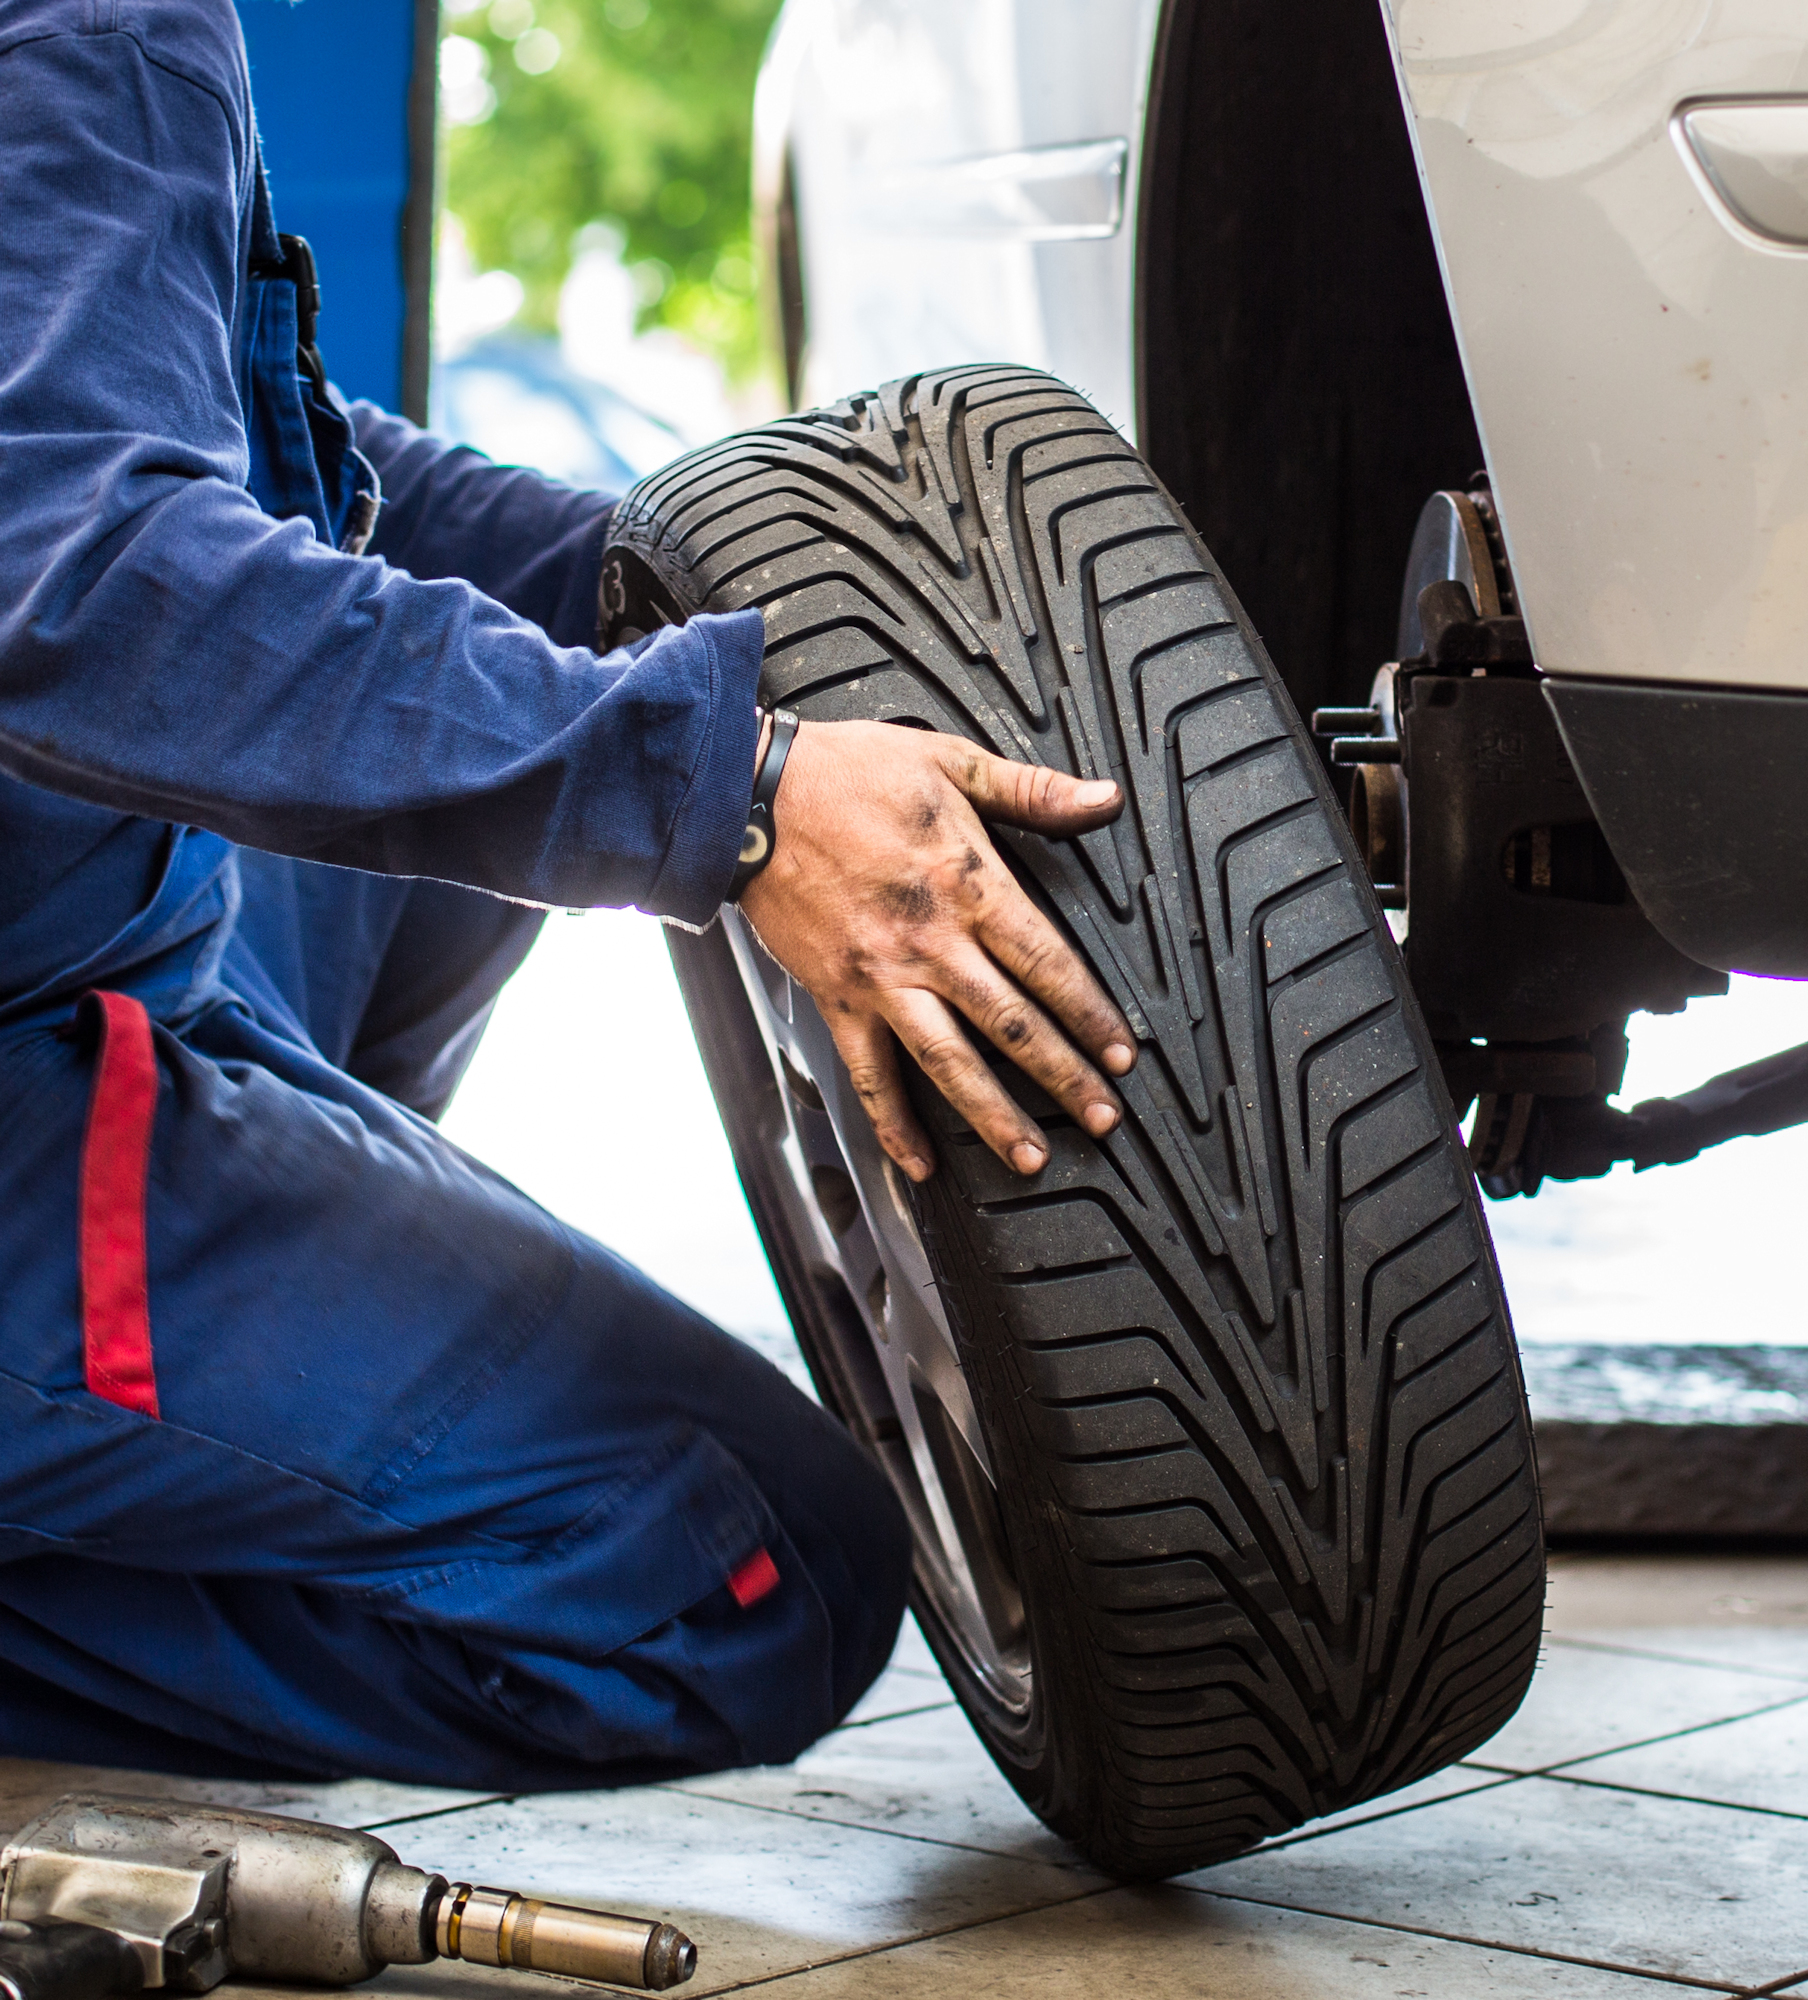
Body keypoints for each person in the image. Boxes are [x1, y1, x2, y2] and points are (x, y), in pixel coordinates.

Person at [0, 0, 1132, 1785]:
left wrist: (672, 608)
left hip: (73, 928)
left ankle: (222, 1407)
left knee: (446, 798)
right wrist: (737, 796)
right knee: (754, 1575)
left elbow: (193, 432)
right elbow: (84, 581)